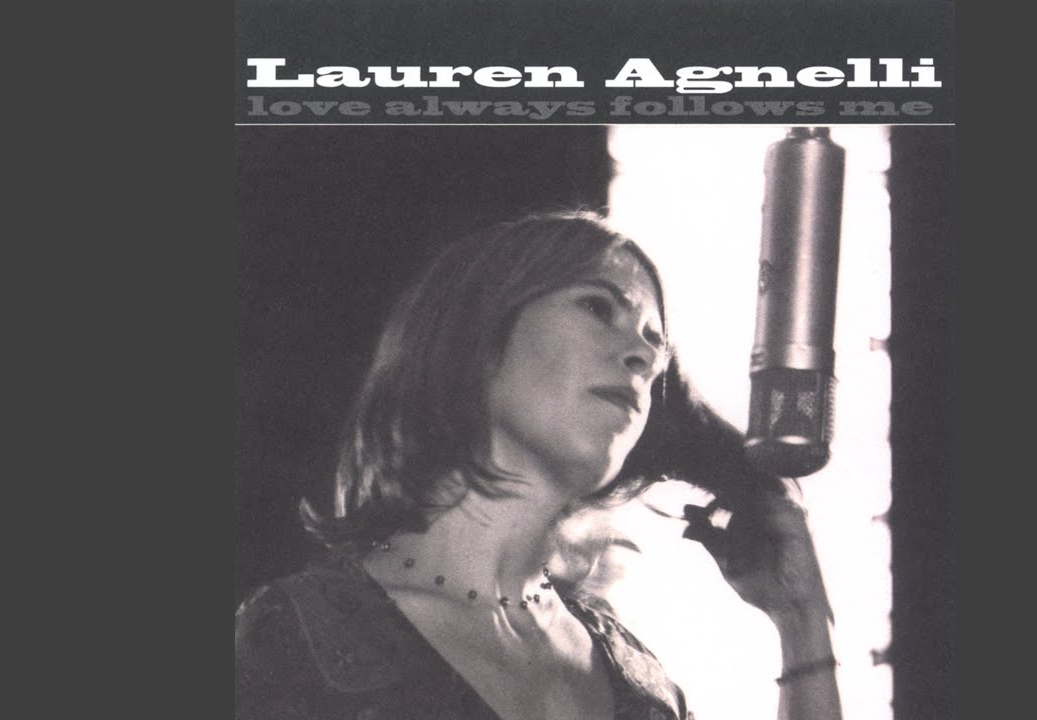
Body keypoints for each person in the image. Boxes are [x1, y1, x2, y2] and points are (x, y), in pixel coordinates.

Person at [235, 211, 843, 720]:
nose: (641, 355)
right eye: (598, 307)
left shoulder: (642, 687)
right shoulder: (296, 638)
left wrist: (804, 626)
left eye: (654, 343)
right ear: (476, 335)